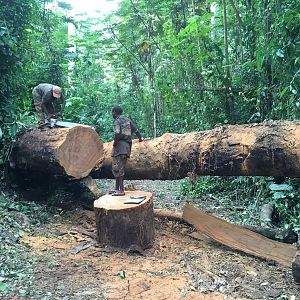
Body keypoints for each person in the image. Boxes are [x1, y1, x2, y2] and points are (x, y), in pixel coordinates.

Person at [110, 106, 143, 196]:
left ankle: (121, 190)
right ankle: (116, 188)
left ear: (115, 112)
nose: (112, 114)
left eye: (112, 112)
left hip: (120, 146)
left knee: (118, 168)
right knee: (119, 167)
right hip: (127, 146)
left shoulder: (117, 121)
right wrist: (140, 139)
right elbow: (136, 131)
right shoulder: (127, 120)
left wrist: (115, 143)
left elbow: (117, 133)